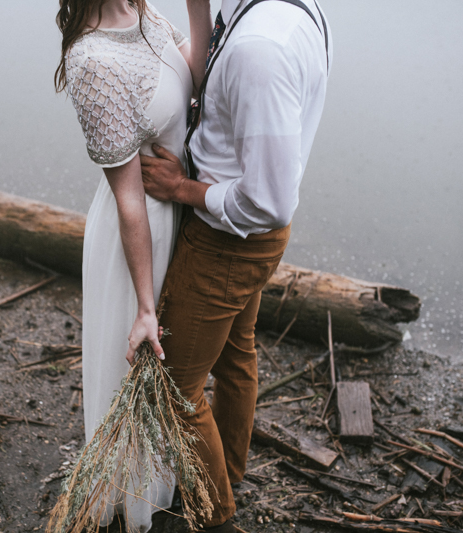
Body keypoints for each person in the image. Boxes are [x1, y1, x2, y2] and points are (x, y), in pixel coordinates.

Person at [140, 0, 331, 530]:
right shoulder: (285, 9)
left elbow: (268, 199)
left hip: (228, 241)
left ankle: (215, 516)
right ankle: (231, 470)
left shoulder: (259, 51)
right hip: (252, 238)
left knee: (173, 386)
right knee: (234, 354)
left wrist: (182, 187)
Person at [55, 0, 211, 530]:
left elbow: (193, 73)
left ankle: (163, 481)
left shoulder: (143, 11)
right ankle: (127, 500)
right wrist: (145, 305)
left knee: (175, 366)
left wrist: (200, 7)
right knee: (136, 361)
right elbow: (128, 200)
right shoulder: (92, 62)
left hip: (173, 210)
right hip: (134, 239)